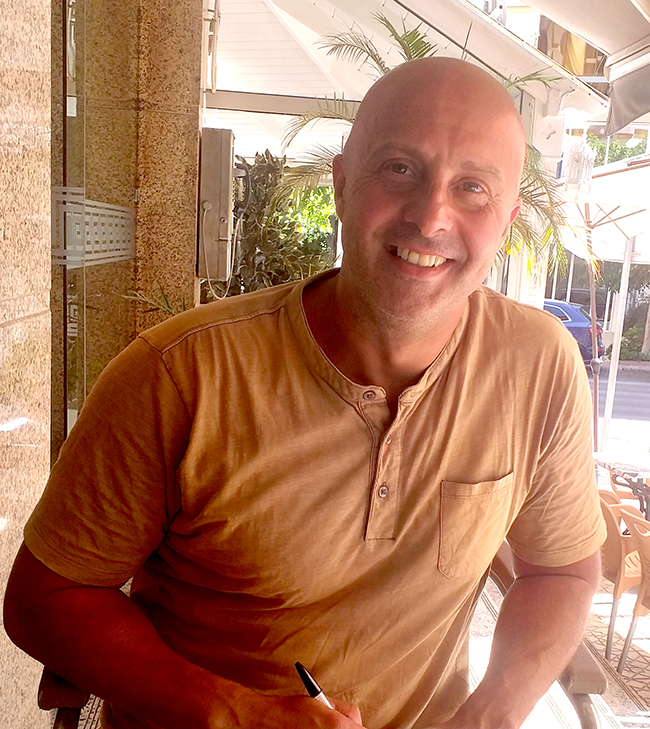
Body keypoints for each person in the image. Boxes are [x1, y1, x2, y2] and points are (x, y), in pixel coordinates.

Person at [5, 57, 605, 729]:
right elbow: (42, 597)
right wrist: (242, 715)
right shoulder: (181, 374)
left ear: (507, 220)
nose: (430, 217)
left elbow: (562, 571)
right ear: (341, 185)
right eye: (399, 169)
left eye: (472, 187)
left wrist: (486, 717)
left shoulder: (538, 365)